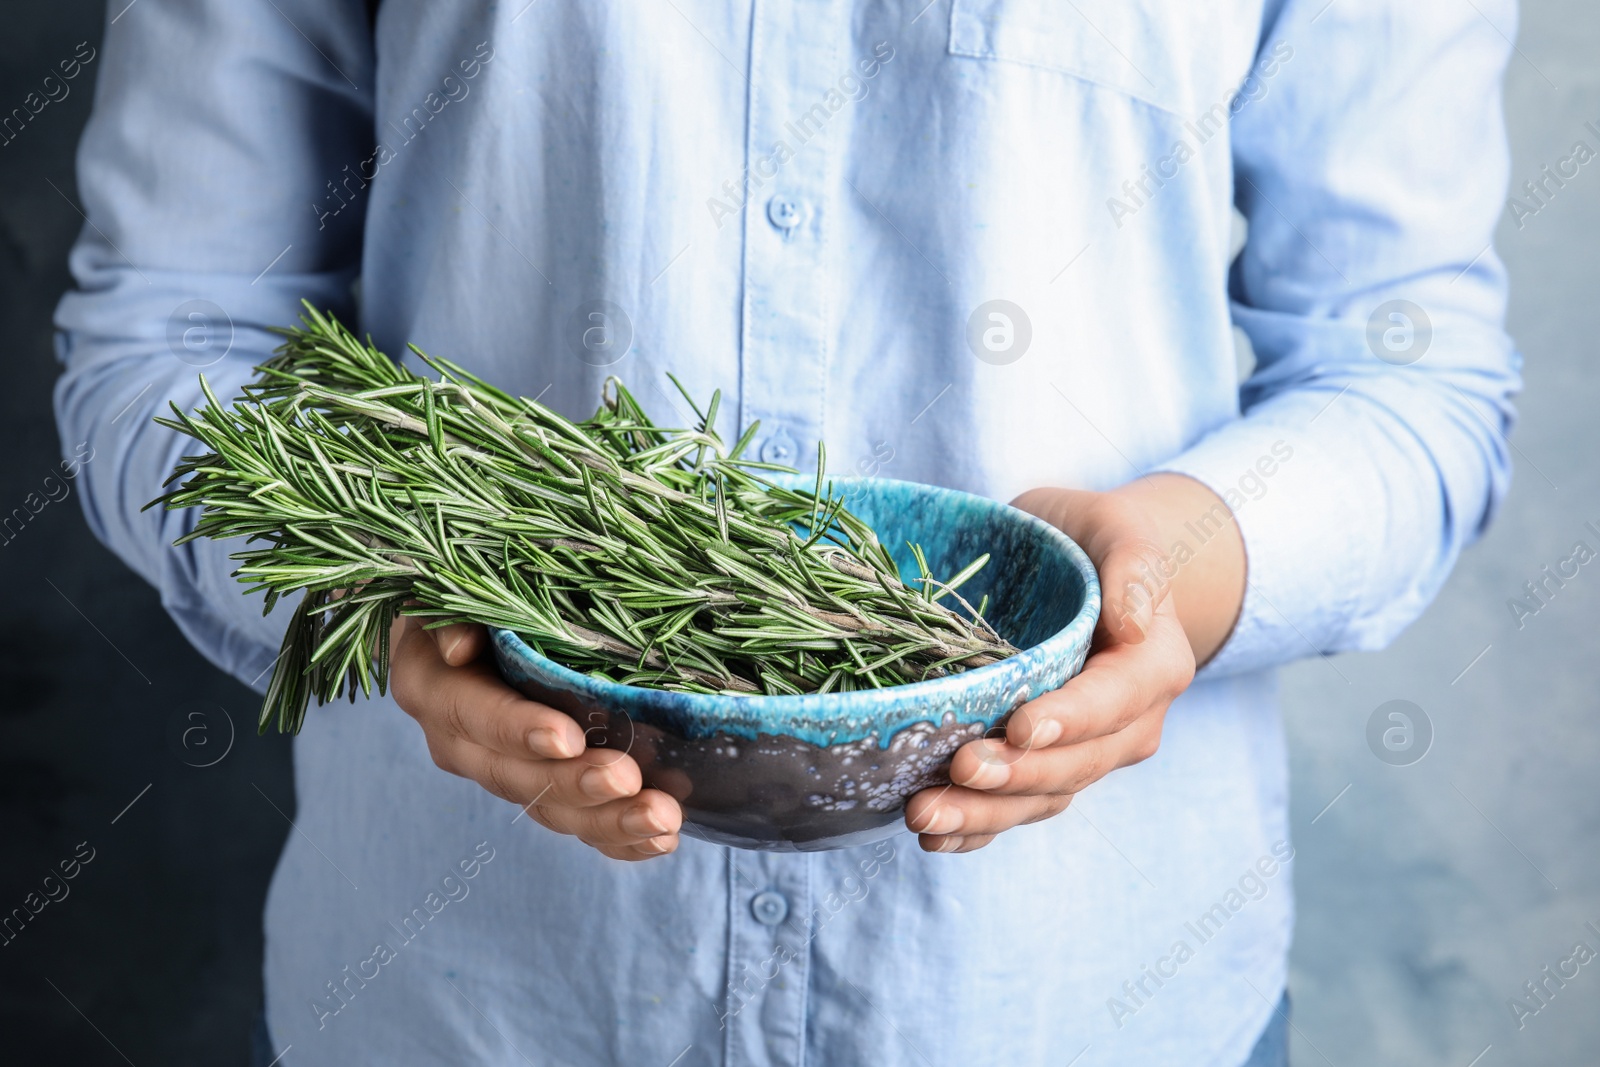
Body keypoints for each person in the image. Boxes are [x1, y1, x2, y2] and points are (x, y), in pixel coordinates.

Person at [53, 0, 1519, 1064]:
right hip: (471, 999)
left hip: (1085, 1001)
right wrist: (391, 601)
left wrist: (1181, 564)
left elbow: (1404, 366)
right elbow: (176, 328)